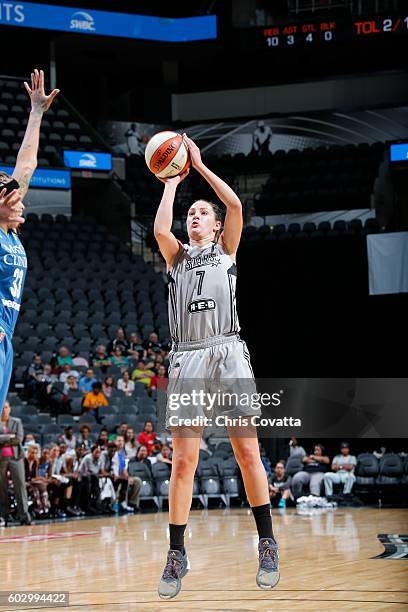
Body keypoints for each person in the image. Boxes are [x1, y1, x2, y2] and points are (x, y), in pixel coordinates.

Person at [153, 133, 279, 599]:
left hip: (227, 351)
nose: (194, 218)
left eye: (201, 212)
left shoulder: (227, 249)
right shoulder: (177, 258)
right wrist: (171, 181)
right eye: (191, 213)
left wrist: (200, 167)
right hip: (187, 357)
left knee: (248, 454)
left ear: (216, 223)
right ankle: (176, 553)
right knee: (183, 461)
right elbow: (160, 231)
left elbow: (236, 206)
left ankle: (266, 541)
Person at [0, 68, 59, 417]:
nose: (19, 199)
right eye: (9, 196)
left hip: (7, 335)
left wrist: (36, 113)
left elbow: (26, 163)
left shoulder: (11, 231)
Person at [0, 401, 31, 525]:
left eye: (6, 407)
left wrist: (2, 439)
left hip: (16, 457)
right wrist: (9, 437)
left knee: (20, 486)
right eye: (2, 407)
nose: (4, 410)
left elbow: (19, 438)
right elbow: (13, 438)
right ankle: (3, 516)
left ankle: (24, 516)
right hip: (1, 459)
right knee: (1, 488)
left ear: (10, 409)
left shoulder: (17, 421)